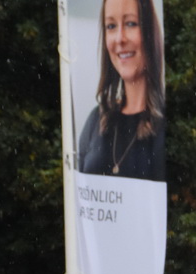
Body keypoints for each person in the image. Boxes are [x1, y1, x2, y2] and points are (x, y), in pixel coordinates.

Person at [77, 0, 166, 181]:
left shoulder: (167, 123)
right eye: (111, 26)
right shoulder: (96, 120)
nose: (119, 38)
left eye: (131, 23)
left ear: (150, 32)